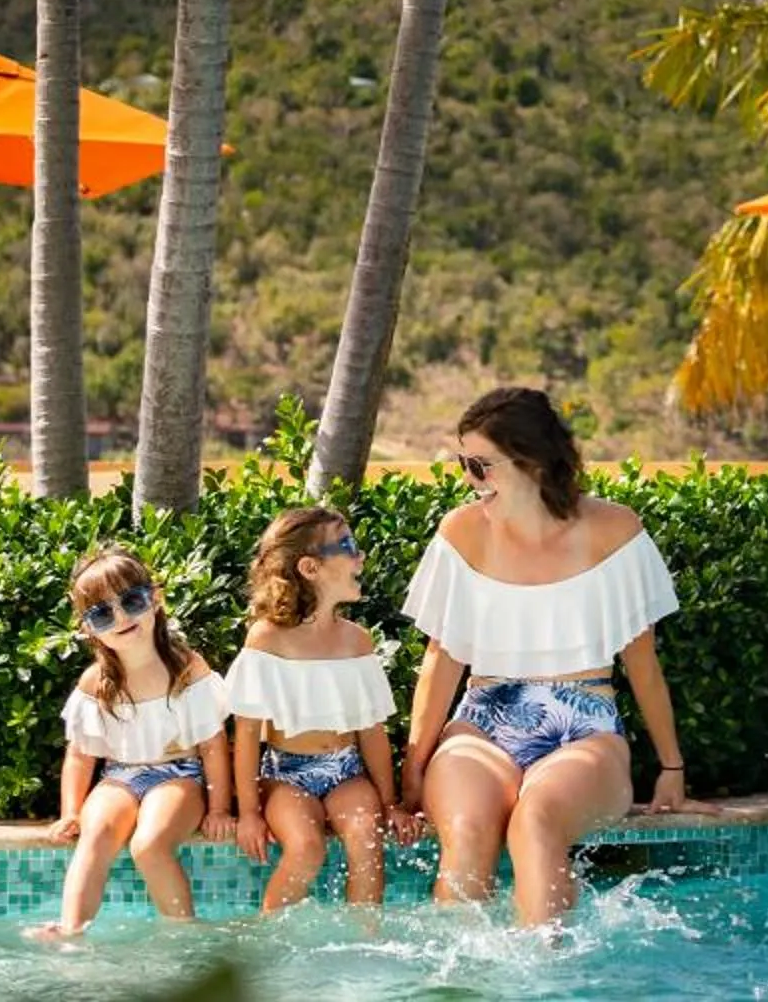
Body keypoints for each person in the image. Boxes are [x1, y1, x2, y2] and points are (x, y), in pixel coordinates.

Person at [396, 386, 707, 925]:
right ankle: (457, 982)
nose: (470, 480)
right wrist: (413, 768)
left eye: (480, 465)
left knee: (536, 820)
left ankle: (545, 978)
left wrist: (671, 766)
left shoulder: (615, 531)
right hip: (482, 723)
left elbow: (643, 664)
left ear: (532, 462)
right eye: (464, 464)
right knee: (468, 830)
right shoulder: (462, 532)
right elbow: (441, 662)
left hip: (585, 725)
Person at [33, 546, 231, 938]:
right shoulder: (97, 682)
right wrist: (70, 811)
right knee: (96, 834)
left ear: (155, 599)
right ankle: (71, 931)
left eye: (132, 601)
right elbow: (80, 755)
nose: (121, 617)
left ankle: (183, 933)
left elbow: (212, 745)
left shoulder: (186, 668)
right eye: (103, 613)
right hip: (120, 775)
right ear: (89, 628)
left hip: (179, 774)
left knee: (149, 845)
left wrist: (220, 809)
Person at [222, 506, 401, 914]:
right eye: (348, 546)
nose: (361, 556)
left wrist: (390, 803)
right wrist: (248, 811)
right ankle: (270, 940)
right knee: (305, 848)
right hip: (287, 774)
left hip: (346, 771)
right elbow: (247, 735)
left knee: (366, 840)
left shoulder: (357, 642)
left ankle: (365, 944)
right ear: (310, 567)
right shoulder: (267, 640)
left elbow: (372, 733)